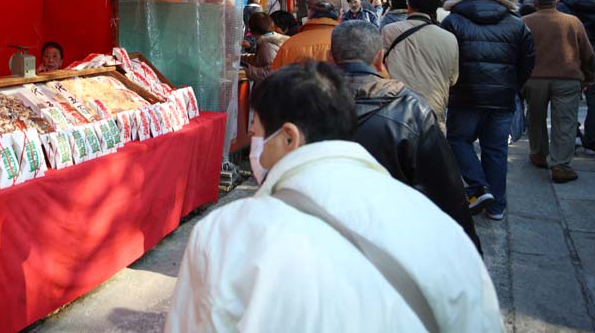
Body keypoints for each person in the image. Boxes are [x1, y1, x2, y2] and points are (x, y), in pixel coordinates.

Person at [165, 61, 501, 333]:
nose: (255, 146)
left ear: (288, 138)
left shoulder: (226, 233)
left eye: (256, 132)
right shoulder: (439, 227)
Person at [331, 21, 479, 248]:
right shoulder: (412, 109)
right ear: (381, 60)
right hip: (391, 240)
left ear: (329, 57)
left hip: (323, 239)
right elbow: (445, 189)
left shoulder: (302, 104)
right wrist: (469, 250)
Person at [441, 0, 536, 221]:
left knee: (458, 140)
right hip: (502, 95)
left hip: (465, 94)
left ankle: (478, 186)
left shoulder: (454, 20)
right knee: (495, 150)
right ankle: (497, 205)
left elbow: (446, 59)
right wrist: (513, 85)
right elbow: (528, 61)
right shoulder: (516, 22)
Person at [521, 0, 595, 182]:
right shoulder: (572, 22)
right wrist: (589, 76)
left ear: (535, 1)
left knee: (535, 118)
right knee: (565, 122)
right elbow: (588, 54)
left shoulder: (524, 22)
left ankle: (538, 154)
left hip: (534, 79)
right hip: (568, 77)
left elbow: (517, 54)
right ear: (557, 1)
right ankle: (560, 164)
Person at [381, 0, 459, 129]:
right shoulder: (449, 38)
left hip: (397, 107)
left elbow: (379, 67)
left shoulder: (389, 31)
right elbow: (453, 79)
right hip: (433, 109)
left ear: (409, 4)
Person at [557, 0, 595, 154]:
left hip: (567, 60)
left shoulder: (562, 6)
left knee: (567, 102)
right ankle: (592, 142)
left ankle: (574, 136)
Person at [271, 0, 340, 70]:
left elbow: (275, 81)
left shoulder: (288, 46)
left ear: (309, 11)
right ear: (339, 13)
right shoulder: (349, 44)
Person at [241, 12, 287, 82]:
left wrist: (248, 70)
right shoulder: (270, 40)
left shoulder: (266, 46)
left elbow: (270, 72)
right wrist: (241, 58)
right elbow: (259, 60)